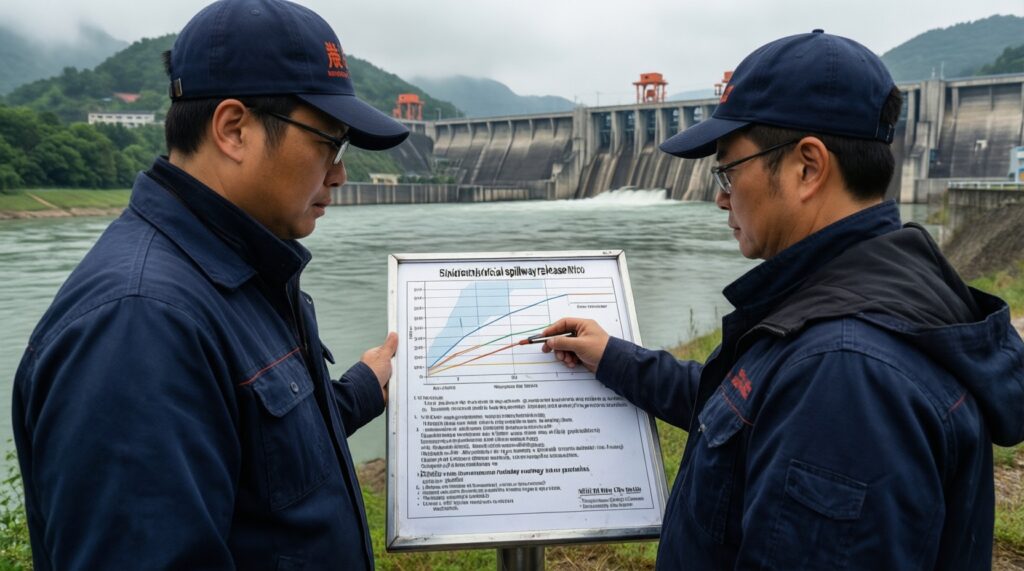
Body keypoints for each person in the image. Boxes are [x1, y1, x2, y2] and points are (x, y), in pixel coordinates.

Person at [540, 30, 1024, 569]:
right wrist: (612, 356)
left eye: (728, 170)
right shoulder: (864, 295)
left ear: (807, 168)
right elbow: (747, 408)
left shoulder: (846, 376)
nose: (720, 196)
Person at [12, 0, 409, 568]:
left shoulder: (232, 271)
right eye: (329, 141)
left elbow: (262, 457)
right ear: (233, 129)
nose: (340, 173)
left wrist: (363, 388)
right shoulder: (138, 325)